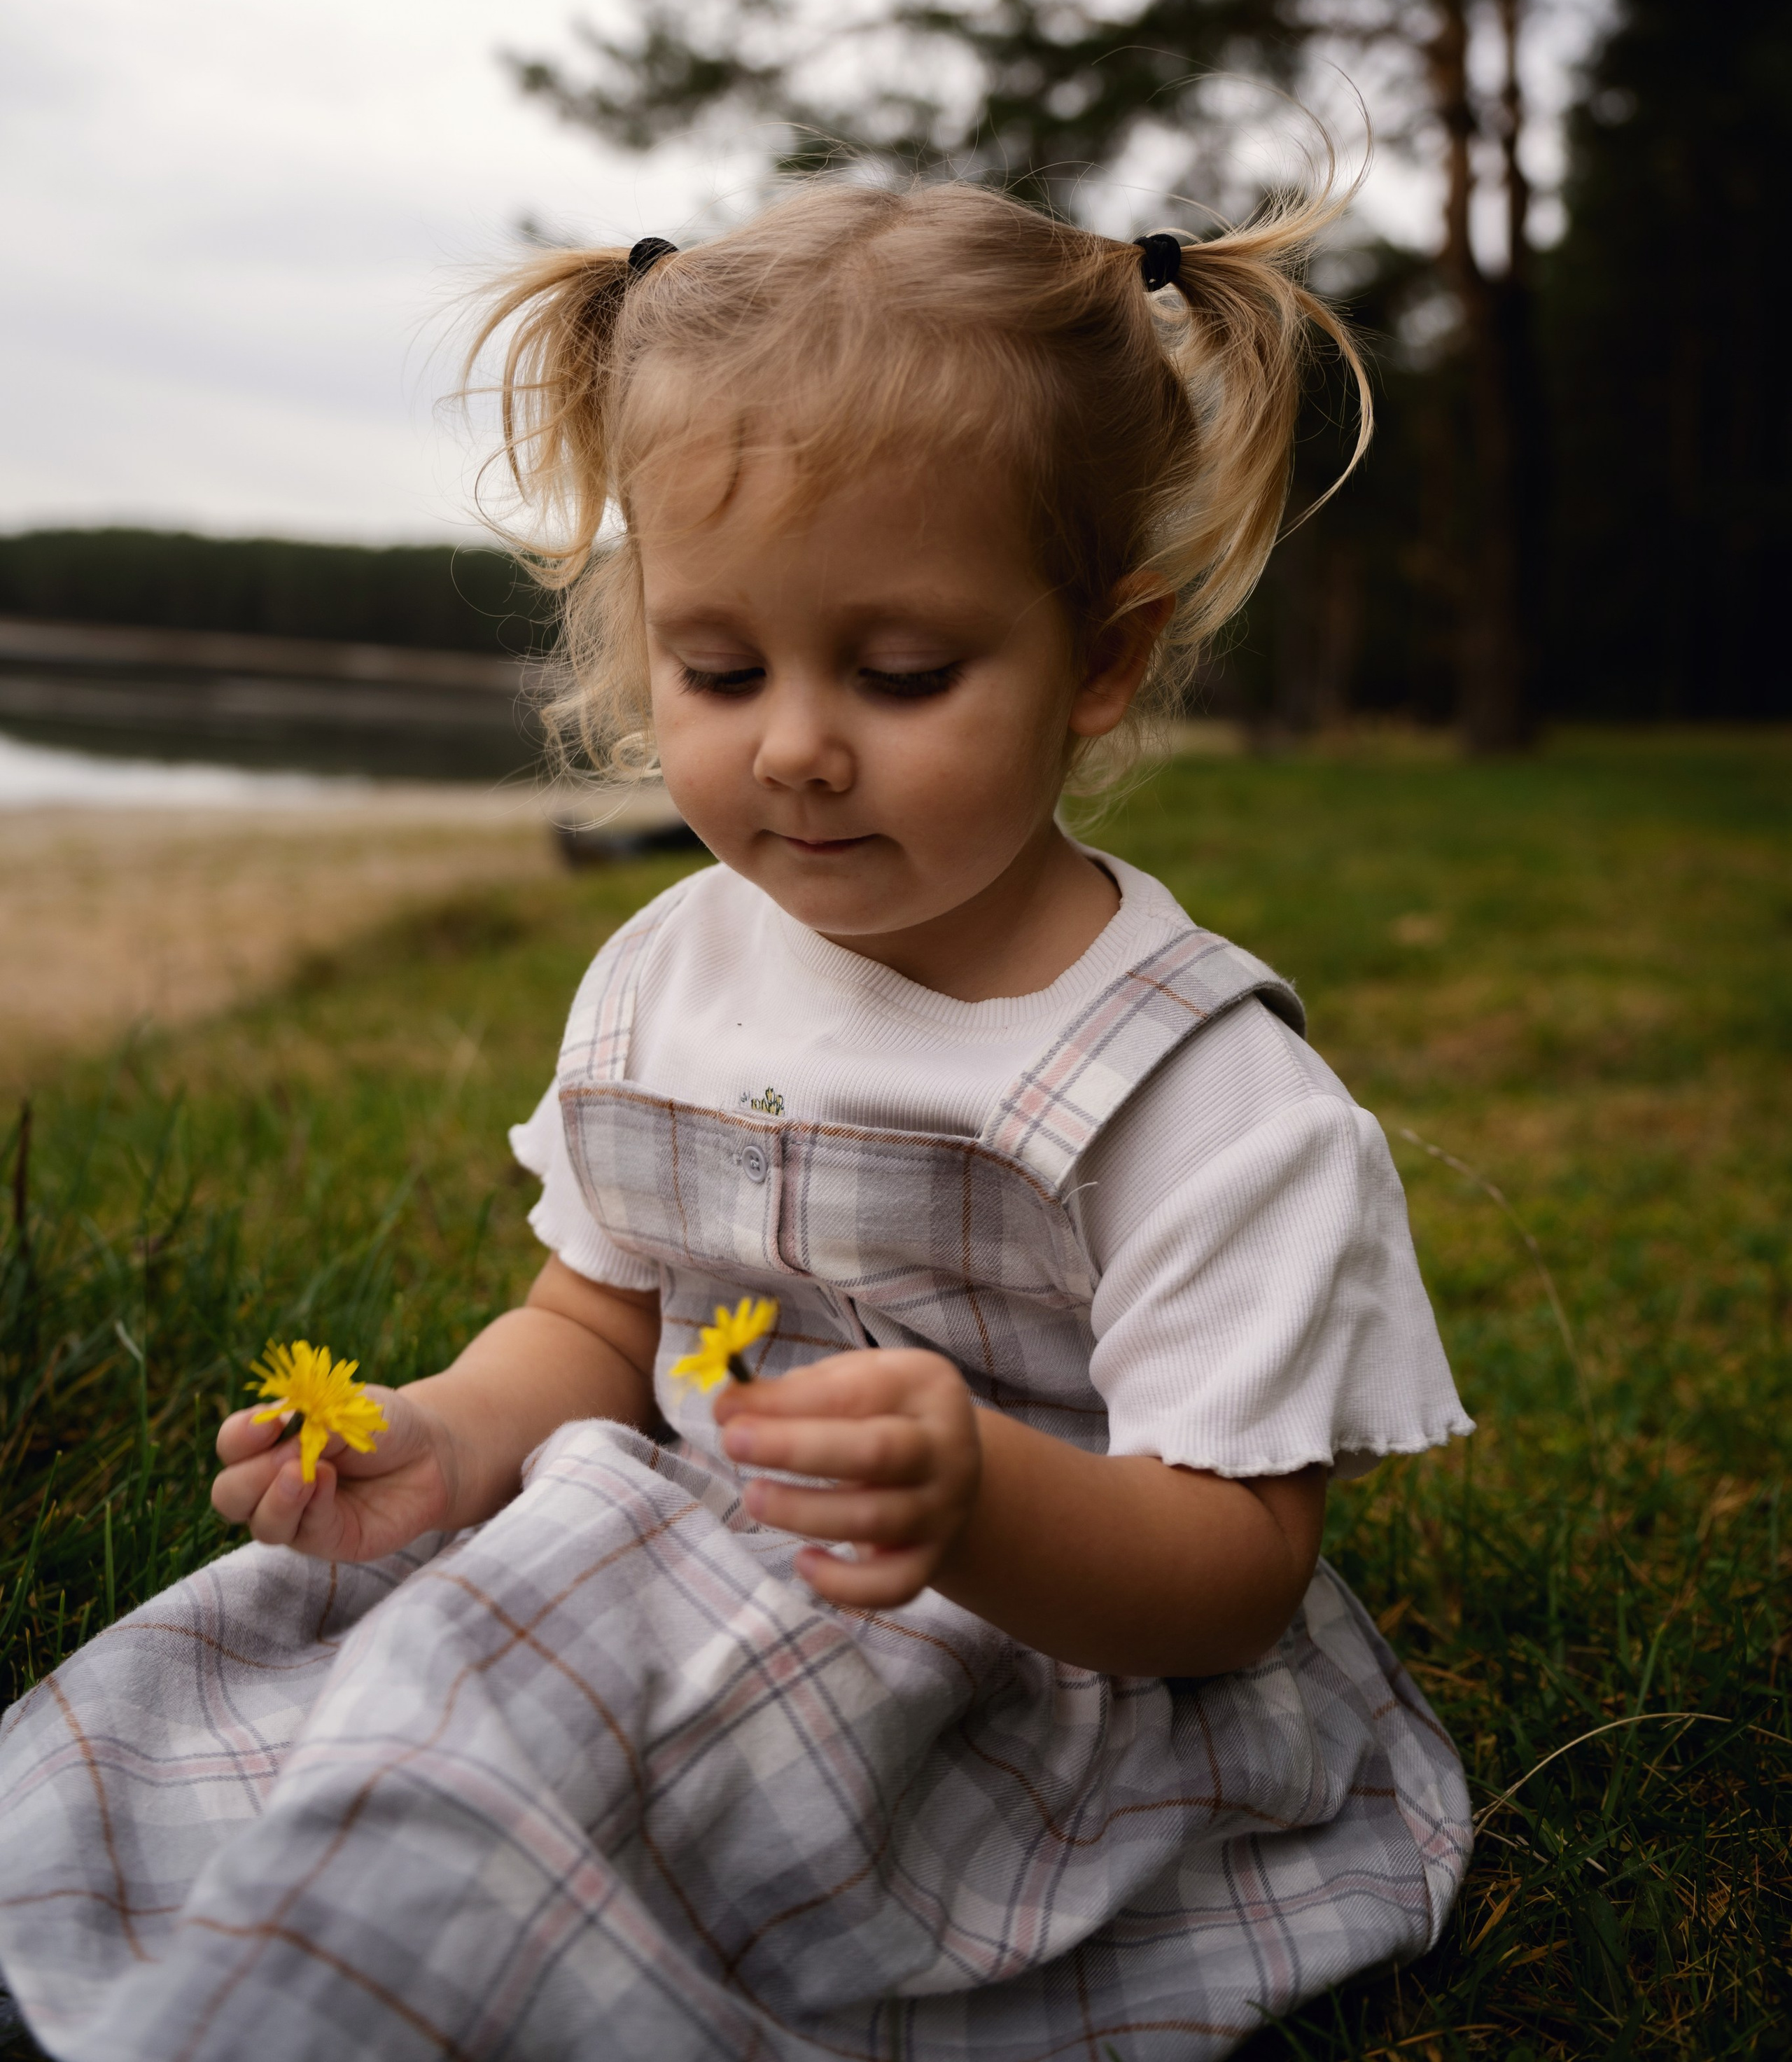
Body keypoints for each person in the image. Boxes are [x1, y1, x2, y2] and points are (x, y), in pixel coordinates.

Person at [0, 178, 1474, 2059]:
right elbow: (597, 1323)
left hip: (1015, 1668)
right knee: (322, 1692)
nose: (792, 743)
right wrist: (452, 1437)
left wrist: (978, 1494)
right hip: (647, 1562)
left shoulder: (1195, 1095)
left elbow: (1229, 1579)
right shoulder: (670, 971)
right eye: (719, 668)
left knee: (518, 1797)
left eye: (902, 672)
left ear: (1102, 658)